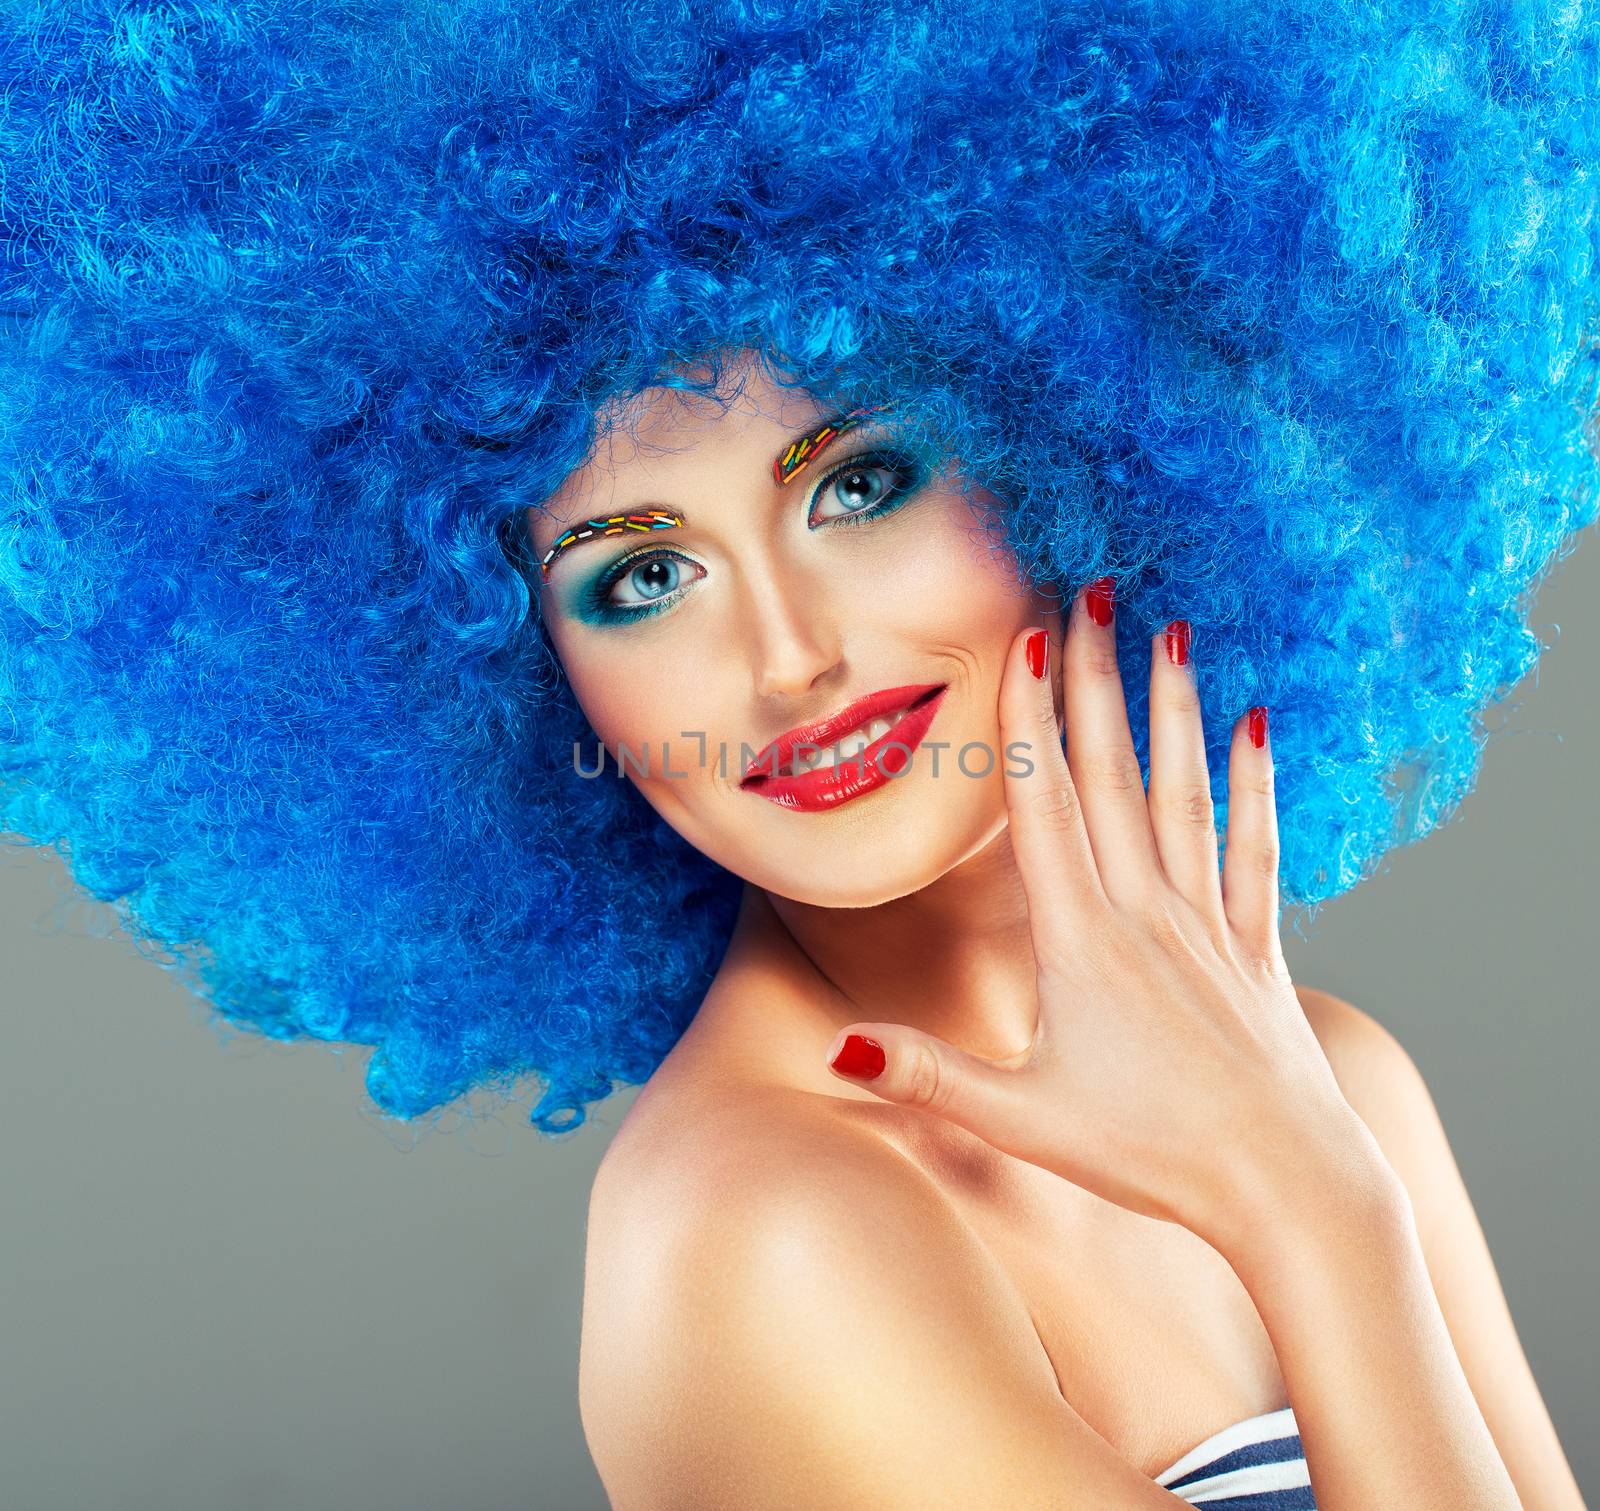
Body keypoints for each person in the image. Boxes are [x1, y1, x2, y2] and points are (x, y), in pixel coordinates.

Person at [2, 0, 1593, 1506]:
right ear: (516, 678)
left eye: (861, 482)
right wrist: (1312, 1225)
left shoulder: (1326, 1084)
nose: (786, 657)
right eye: (641, 579)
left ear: (1095, 442)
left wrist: (1315, 1183)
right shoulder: (764, 1231)